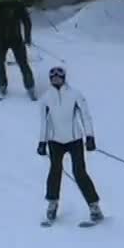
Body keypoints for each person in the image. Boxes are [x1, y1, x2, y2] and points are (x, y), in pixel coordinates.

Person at [37, 66, 104, 223]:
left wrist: (90, 136)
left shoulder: (75, 95)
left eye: (59, 77)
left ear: (64, 78)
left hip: (74, 140)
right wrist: (42, 141)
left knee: (79, 172)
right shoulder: (46, 98)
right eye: (53, 78)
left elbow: (86, 116)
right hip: (55, 141)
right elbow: (44, 123)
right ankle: (52, 204)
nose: (56, 80)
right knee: (55, 171)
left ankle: (94, 206)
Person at [0, 0, 36, 99]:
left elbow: (26, 21)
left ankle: (30, 88)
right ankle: (2, 86)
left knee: (23, 64)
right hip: (1, 40)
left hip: (16, 39)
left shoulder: (18, 6)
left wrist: (27, 37)